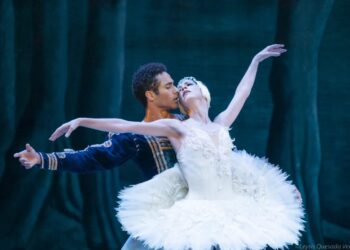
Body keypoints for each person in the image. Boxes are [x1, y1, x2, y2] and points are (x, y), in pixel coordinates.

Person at [48, 44, 305, 250]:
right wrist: (82, 120)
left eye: (188, 84)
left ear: (204, 93)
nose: (182, 88)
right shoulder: (178, 127)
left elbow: (243, 93)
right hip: (195, 207)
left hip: (231, 205)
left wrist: (255, 61)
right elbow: (125, 125)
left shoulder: (220, 124)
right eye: (179, 89)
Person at [13, 62, 186, 249]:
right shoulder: (136, 137)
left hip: (205, 209)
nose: (176, 91)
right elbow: (92, 157)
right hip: (168, 215)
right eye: (168, 87)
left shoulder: (191, 123)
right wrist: (41, 158)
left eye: (174, 85)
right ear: (151, 95)